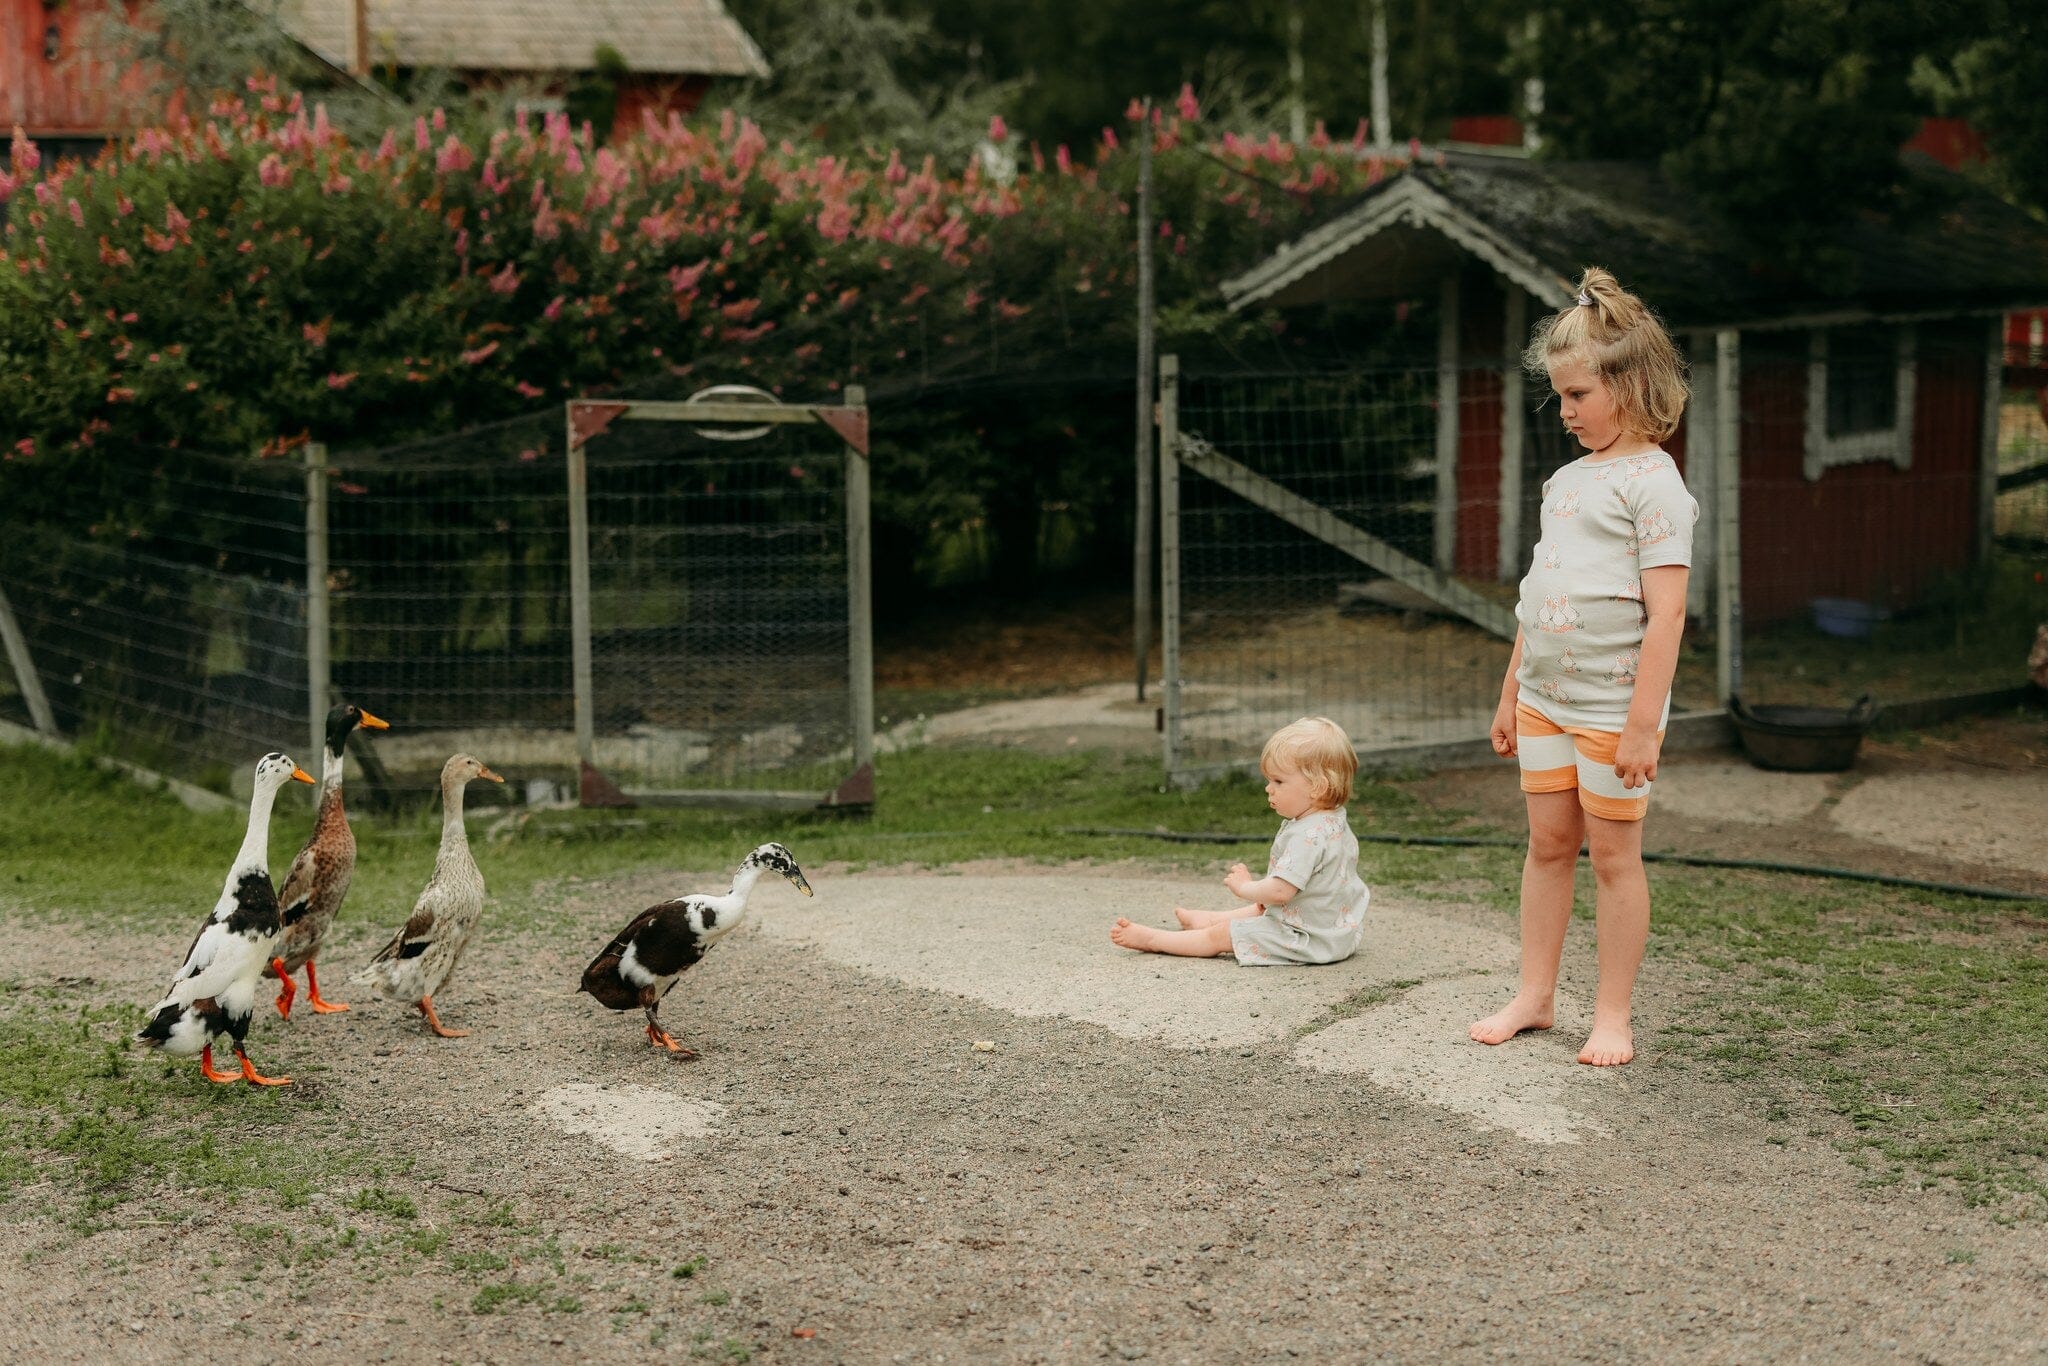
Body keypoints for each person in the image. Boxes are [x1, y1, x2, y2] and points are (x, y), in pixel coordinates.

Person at [1469, 266, 1697, 1067]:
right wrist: (1511, 693)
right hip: (1544, 703)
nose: (1563, 411)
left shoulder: (1655, 484)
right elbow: (1540, 595)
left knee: (1613, 858)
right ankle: (1535, 996)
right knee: (1546, 846)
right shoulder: (1564, 482)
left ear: (1630, 386)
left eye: (1577, 395)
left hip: (1611, 711)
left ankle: (1612, 1016)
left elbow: (1668, 614)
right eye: (1559, 395)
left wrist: (1642, 727)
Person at [1111, 716, 1368, 964]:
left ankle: (1154, 939)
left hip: (1307, 940)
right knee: (1261, 909)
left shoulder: (1307, 836)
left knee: (1223, 935)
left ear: (1317, 787)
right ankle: (1208, 920)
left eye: (1278, 781)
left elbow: (1280, 892)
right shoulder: (1333, 820)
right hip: (1335, 932)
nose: (1268, 788)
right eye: (1269, 780)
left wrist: (1244, 887)